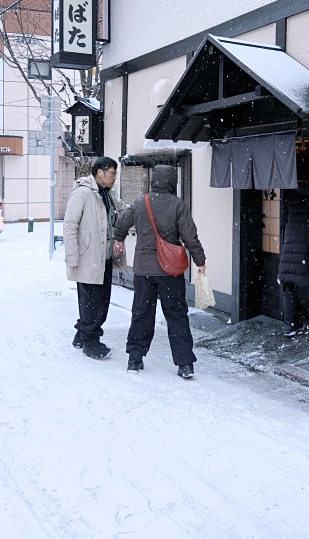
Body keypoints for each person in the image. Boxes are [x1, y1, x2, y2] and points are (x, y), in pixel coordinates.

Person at [113, 164, 207, 378]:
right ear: (172, 182)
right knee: (176, 315)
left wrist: (119, 239)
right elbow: (190, 237)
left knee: (142, 313)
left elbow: (122, 224)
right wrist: (200, 260)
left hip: (143, 270)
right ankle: (185, 364)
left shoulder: (140, 202)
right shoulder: (178, 205)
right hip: (170, 272)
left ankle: (135, 358)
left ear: (154, 180)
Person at [64, 156, 122, 360]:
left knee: (100, 301)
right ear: (100, 172)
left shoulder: (108, 195)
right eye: (112, 173)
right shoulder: (83, 193)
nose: (115, 177)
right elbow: (70, 225)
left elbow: (122, 213)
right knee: (92, 303)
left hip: (104, 257)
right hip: (87, 257)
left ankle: (82, 334)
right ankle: (91, 342)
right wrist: (72, 257)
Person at [277, 180, 309, 337]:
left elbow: (282, 220)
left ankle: (290, 326)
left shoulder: (289, 192)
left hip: (290, 242)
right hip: (307, 241)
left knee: (289, 285)